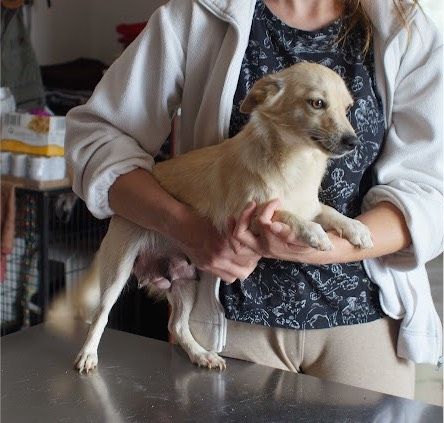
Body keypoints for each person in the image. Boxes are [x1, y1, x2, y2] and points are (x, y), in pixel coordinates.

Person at [65, 0, 443, 399]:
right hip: (230, 324)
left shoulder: (404, 27)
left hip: (365, 324)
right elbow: (96, 139)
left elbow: (430, 190)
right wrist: (185, 227)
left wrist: (323, 249)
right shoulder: (200, 12)